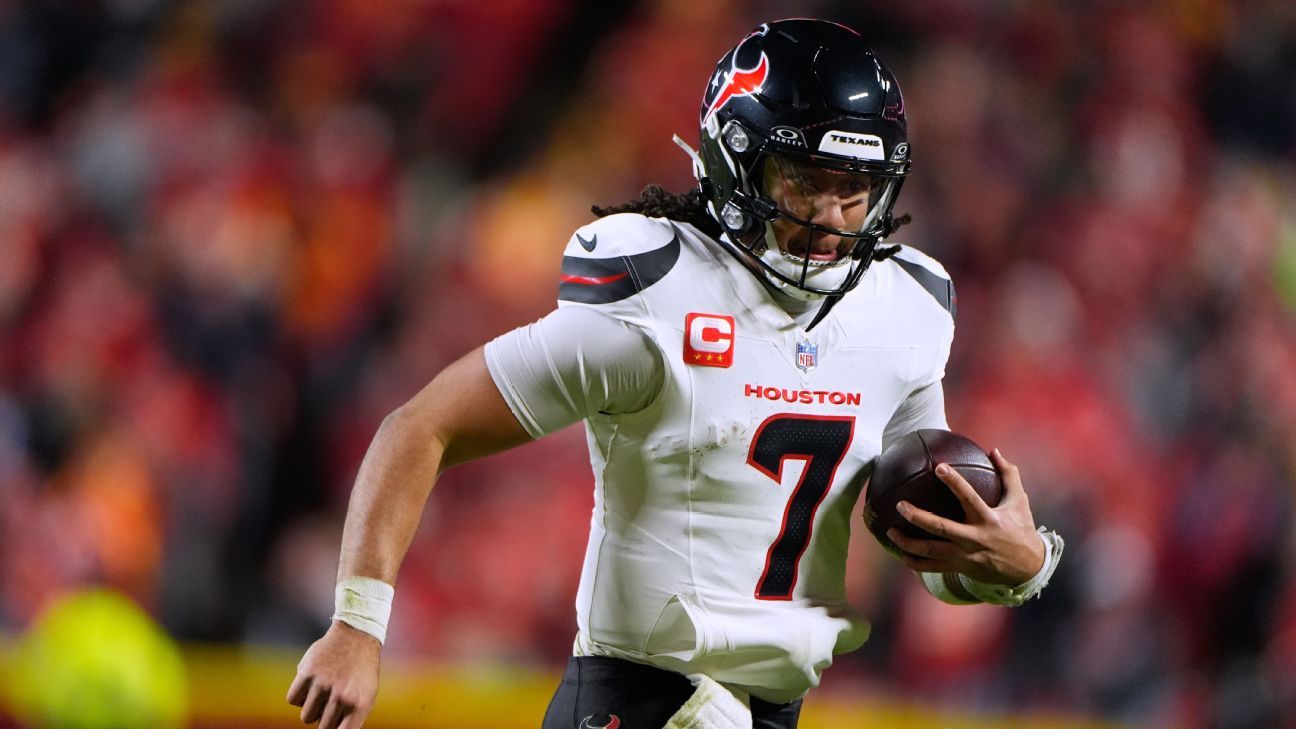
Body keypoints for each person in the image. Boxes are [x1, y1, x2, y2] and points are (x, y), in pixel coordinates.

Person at [287, 18, 1063, 729]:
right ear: (736, 162)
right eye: (804, 181)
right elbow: (422, 425)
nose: (830, 218)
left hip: (771, 710)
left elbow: (926, 541)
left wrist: (1018, 564)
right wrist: (357, 624)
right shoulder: (661, 295)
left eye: (852, 190)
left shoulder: (904, 307)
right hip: (641, 703)